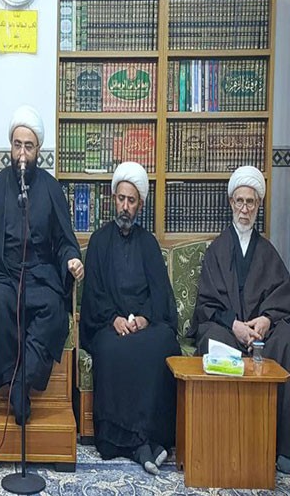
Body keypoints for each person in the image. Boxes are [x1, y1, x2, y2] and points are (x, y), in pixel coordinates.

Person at [0, 105, 83, 424]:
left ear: (38, 149)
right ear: (10, 147)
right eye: (17, 145)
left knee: (54, 310)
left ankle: (20, 382)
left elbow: (65, 239)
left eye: (29, 146)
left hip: (40, 275)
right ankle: (11, 381)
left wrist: (72, 258)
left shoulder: (51, 189)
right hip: (4, 274)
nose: (22, 154)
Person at [80, 162, 181, 474]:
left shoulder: (148, 243)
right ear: (114, 199)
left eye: (131, 201)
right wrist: (114, 319)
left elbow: (160, 292)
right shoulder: (99, 241)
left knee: (165, 343)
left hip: (143, 327)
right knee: (111, 349)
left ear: (140, 205)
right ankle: (130, 441)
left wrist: (145, 319)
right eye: (121, 198)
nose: (125, 206)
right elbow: (93, 293)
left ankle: (151, 438)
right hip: (110, 326)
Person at [188, 165, 290, 474]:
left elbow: (282, 297)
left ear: (258, 206)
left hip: (261, 333)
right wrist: (235, 325)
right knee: (212, 340)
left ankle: (277, 445)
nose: (244, 210)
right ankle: (221, 440)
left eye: (251, 203)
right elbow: (206, 304)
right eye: (240, 201)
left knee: (286, 339)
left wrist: (266, 320)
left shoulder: (268, 252)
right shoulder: (217, 250)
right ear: (231, 202)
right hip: (227, 329)